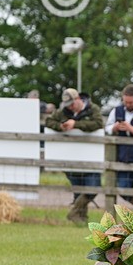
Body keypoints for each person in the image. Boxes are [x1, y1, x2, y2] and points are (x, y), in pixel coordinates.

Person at [45, 87, 105, 223]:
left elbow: (98, 123)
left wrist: (76, 124)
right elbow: (49, 121)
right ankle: (81, 219)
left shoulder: (92, 108)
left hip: (91, 157)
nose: (70, 108)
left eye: (72, 104)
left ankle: (74, 213)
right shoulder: (62, 112)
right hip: (71, 156)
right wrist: (60, 126)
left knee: (93, 188)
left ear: (78, 99)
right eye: (68, 105)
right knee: (78, 190)